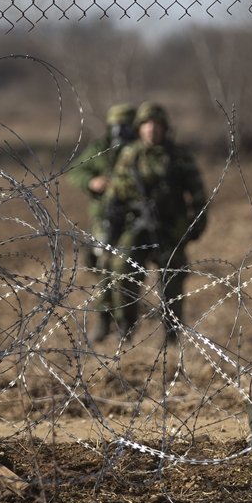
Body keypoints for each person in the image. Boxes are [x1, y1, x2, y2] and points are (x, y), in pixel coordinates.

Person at [103, 101, 206, 341]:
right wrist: (113, 222)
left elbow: (198, 194)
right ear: (139, 128)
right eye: (147, 124)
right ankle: (125, 326)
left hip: (169, 227)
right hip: (137, 225)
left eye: (157, 125)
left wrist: (194, 227)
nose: (152, 129)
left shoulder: (178, 156)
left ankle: (172, 333)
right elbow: (115, 193)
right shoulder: (129, 155)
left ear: (164, 128)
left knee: (172, 279)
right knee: (122, 270)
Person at [68, 102, 137, 341]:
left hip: (132, 218)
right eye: (118, 125)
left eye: (127, 124)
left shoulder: (139, 149)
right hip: (103, 218)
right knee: (100, 267)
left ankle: (124, 320)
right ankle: (104, 318)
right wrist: (92, 182)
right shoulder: (100, 148)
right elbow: (76, 171)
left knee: (124, 269)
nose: (122, 130)